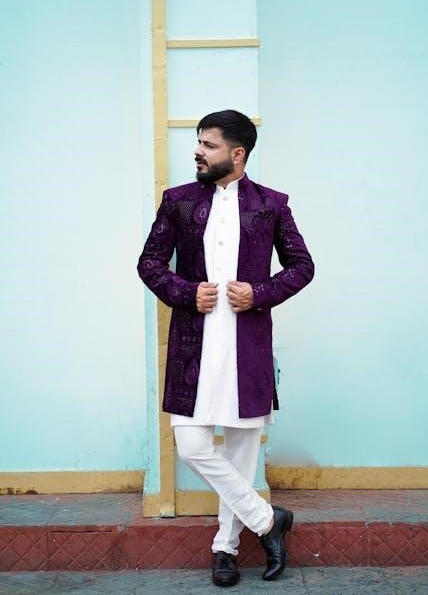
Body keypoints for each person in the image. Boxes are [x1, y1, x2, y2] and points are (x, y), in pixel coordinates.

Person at [137, 109, 314, 587]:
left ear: (237, 154)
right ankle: (268, 521)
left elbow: (302, 266)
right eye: (198, 142)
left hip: (247, 348)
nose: (198, 151)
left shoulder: (271, 204)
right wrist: (184, 291)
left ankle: (225, 549)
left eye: (209, 144)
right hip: (193, 347)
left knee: (240, 456)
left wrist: (260, 292)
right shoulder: (177, 202)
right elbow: (150, 263)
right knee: (192, 444)